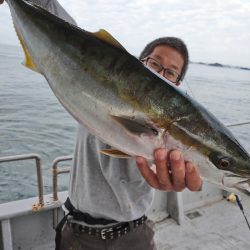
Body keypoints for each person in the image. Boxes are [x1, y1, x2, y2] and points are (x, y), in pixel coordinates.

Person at [1, 0, 202, 249]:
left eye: (171, 72)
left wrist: (177, 173)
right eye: (155, 63)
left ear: (178, 85)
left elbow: (177, 160)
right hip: (75, 231)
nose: (161, 74)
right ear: (139, 62)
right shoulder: (98, 81)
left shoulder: (172, 132)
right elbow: (54, 17)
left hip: (133, 236)